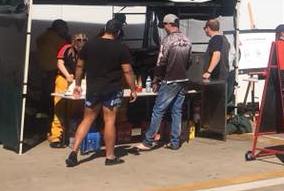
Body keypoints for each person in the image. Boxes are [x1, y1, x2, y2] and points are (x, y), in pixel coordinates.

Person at [66, 19, 136, 167]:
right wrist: (133, 89)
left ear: (105, 29)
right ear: (117, 32)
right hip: (112, 89)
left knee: (87, 119)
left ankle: (73, 153)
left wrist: (77, 84)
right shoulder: (121, 48)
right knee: (109, 121)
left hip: (93, 89)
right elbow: (127, 71)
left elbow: (79, 65)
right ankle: (109, 157)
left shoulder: (89, 45)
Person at [137, 14, 192, 151]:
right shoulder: (187, 40)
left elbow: (161, 61)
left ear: (169, 24)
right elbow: (190, 61)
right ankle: (174, 142)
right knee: (176, 111)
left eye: (165, 25)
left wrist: (156, 79)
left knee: (158, 110)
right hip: (182, 79)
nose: (164, 28)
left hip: (169, 80)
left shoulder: (167, 41)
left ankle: (148, 141)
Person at [48, 32, 87, 148]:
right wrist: (67, 75)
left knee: (74, 107)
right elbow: (60, 63)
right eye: (78, 40)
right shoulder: (66, 49)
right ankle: (56, 137)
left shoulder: (86, 50)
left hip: (78, 80)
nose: (81, 42)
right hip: (63, 79)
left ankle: (71, 135)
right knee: (59, 105)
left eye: (84, 40)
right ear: (74, 41)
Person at [36, 19, 70, 98]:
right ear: (59, 28)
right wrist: (67, 39)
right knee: (52, 91)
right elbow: (67, 49)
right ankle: (50, 108)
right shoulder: (57, 39)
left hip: (42, 68)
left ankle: (43, 107)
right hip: (53, 69)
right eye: (65, 28)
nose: (66, 30)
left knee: (44, 90)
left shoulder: (42, 36)